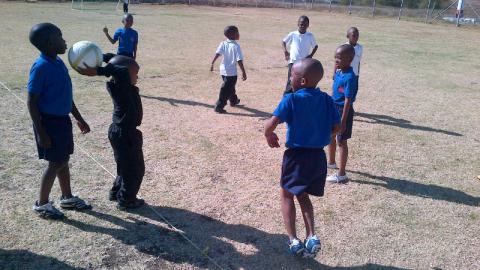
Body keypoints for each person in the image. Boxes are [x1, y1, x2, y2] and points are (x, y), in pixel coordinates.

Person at [264, 58, 340, 257]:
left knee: (286, 194)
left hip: (297, 158)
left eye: (292, 76)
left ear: (303, 81)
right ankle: (312, 235)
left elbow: (269, 125)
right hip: (318, 158)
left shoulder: (291, 99)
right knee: (303, 194)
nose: (290, 79)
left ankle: (293, 240)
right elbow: (338, 127)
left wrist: (268, 134)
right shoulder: (326, 99)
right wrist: (324, 136)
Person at [27, 23, 92, 219]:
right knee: (55, 163)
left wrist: (78, 118)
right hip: (49, 123)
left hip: (63, 121)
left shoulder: (58, 63)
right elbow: (31, 101)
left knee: (63, 160)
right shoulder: (41, 67)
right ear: (49, 43)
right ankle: (42, 204)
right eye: (60, 37)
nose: (65, 41)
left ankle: (67, 197)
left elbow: (66, 95)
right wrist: (41, 132)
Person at [76, 54, 145, 210]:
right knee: (134, 169)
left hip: (122, 132)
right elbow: (120, 70)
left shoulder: (121, 85)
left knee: (124, 166)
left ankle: (116, 193)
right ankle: (127, 200)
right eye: (135, 74)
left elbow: (120, 67)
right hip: (124, 133)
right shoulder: (122, 86)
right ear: (125, 74)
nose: (137, 77)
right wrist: (100, 70)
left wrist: (102, 56)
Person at [326, 44, 358, 183]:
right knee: (331, 136)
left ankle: (342, 174)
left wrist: (343, 122)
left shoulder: (350, 77)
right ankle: (331, 162)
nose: (336, 60)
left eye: (339, 58)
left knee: (341, 141)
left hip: (343, 111)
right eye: (335, 57)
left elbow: (347, 101)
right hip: (333, 109)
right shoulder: (339, 72)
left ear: (350, 59)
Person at [210, 25, 247, 114]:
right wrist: (243, 72)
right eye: (237, 33)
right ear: (234, 35)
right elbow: (239, 60)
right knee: (226, 89)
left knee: (230, 87)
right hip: (231, 72)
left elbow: (217, 54)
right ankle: (219, 106)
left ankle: (233, 101)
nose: (239, 34)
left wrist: (212, 63)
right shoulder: (236, 46)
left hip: (223, 70)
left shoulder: (223, 43)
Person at [282, 15, 318, 95]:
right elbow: (283, 41)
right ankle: (287, 97)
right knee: (290, 81)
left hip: (304, 65)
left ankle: (299, 96)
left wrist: (310, 55)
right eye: (301, 24)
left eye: (305, 24)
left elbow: (315, 46)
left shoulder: (310, 36)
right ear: (298, 24)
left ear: (308, 25)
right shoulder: (293, 34)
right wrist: (285, 52)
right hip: (293, 62)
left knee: (302, 82)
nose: (303, 26)